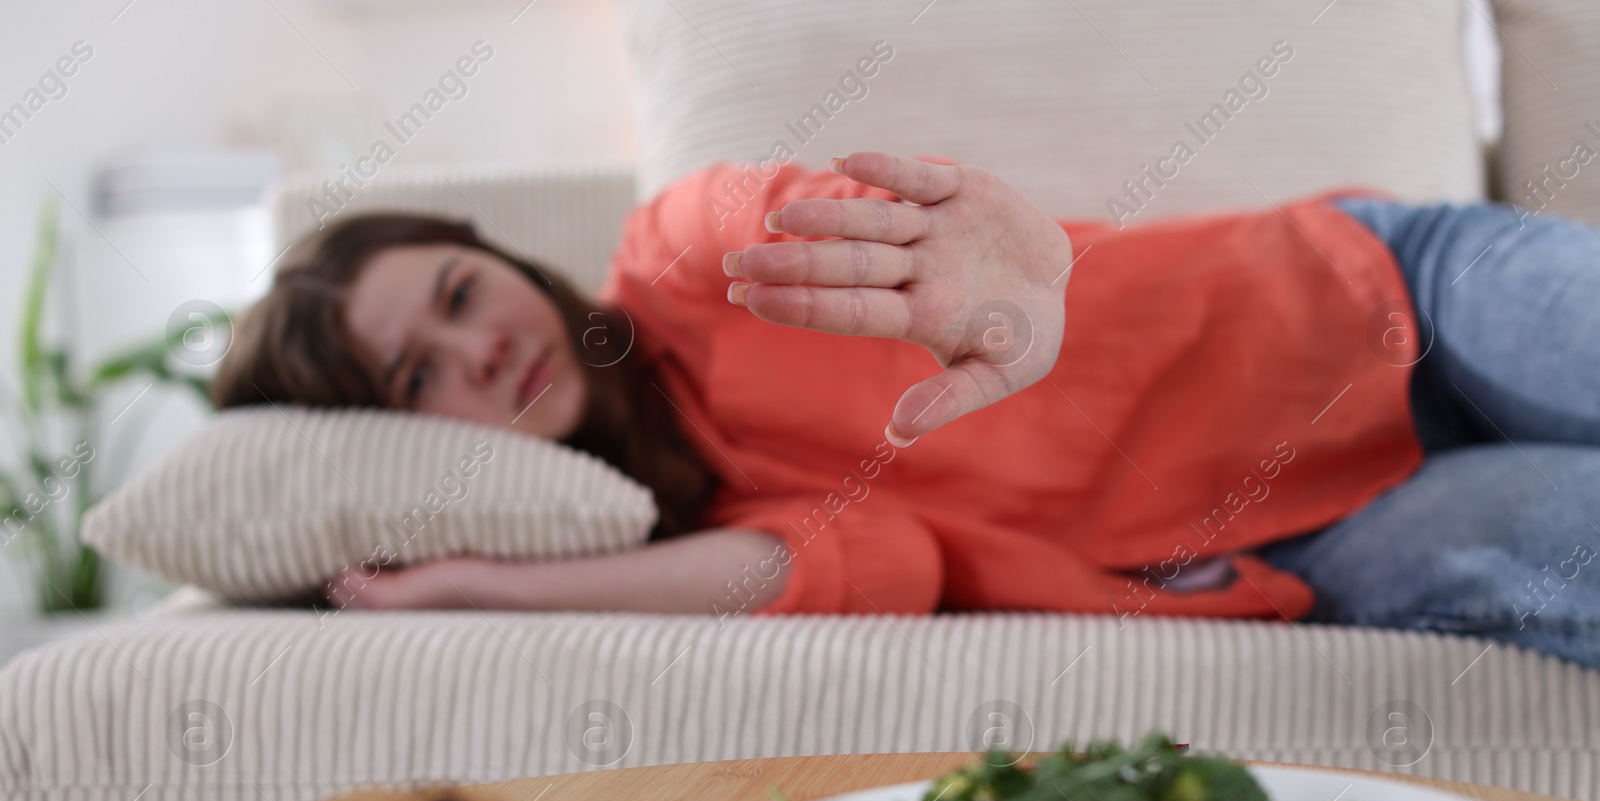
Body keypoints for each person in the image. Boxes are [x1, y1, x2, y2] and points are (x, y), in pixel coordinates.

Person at [213, 151, 1600, 670]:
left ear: (499, 257)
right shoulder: (678, 518)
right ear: (398, 444)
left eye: (461, 292)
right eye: (415, 379)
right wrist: (471, 580)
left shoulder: (684, 256)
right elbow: (866, 568)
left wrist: (971, 282)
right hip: (1323, 534)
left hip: (1370, 292)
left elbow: (780, 210)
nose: (483, 348)